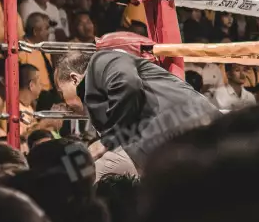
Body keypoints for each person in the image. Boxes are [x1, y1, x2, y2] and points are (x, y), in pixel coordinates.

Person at [53, 41, 221, 178]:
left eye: (62, 92)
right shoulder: (102, 103)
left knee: (75, 175)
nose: (66, 104)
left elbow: (128, 84)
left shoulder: (102, 61)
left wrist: (104, 142)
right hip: (177, 151)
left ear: (74, 79)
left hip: (191, 132)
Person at [19, 13, 55, 93]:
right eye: (46, 28)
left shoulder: (43, 47)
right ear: (35, 31)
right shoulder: (21, 51)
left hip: (50, 93)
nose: (49, 32)